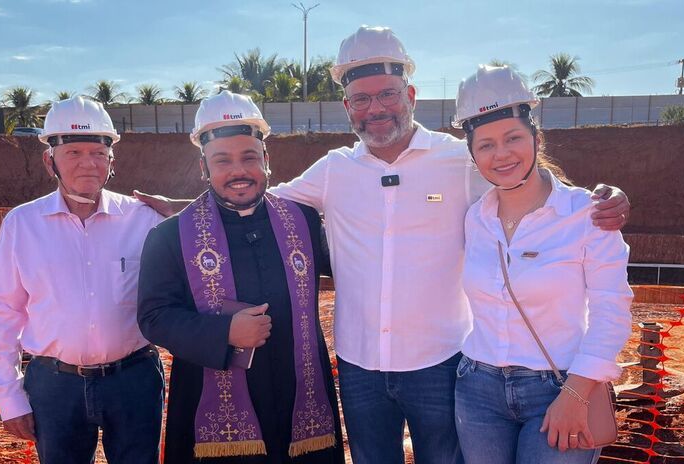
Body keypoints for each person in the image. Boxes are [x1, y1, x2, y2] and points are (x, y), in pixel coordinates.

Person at [264, 26, 632, 464]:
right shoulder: (333, 170)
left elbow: (526, 181)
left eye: (387, 94)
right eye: (361, 99)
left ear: (411, 95)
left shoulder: (459, 159)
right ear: (347, 107)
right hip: (360, 364)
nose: (375, 108)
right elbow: (253, 200)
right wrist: (179, 208)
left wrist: (601, 200)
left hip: (441, 363)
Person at [137, 91, 345, 464]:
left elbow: (359, 265)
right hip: (213, 421)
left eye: (249, 157)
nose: (238, 171)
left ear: (266, 160)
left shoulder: (305, 222)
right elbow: (154, 318)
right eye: (222, 161)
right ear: (204, 168)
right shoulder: (170, 237)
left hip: (302, 407)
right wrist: (224, 334)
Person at [452, 65, 634, 464]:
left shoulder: (587, 214)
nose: (501, 154)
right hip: (477, 391)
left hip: (560, 386)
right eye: (485, 145)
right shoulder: (474, 218)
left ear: (535, 137)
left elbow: (612, 311)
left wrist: (575, 394)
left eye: (513, 138)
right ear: (472, 153)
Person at [0, 96, 165, 464]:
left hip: (134, 379)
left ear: (112, 161)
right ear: (50, 160)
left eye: (98, 152)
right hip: (54, 385)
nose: (87, 164)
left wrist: (176, 206)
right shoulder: (22, 224)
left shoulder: (145, 219)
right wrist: (9, 396)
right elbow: (3, 311)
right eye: (74, 152)